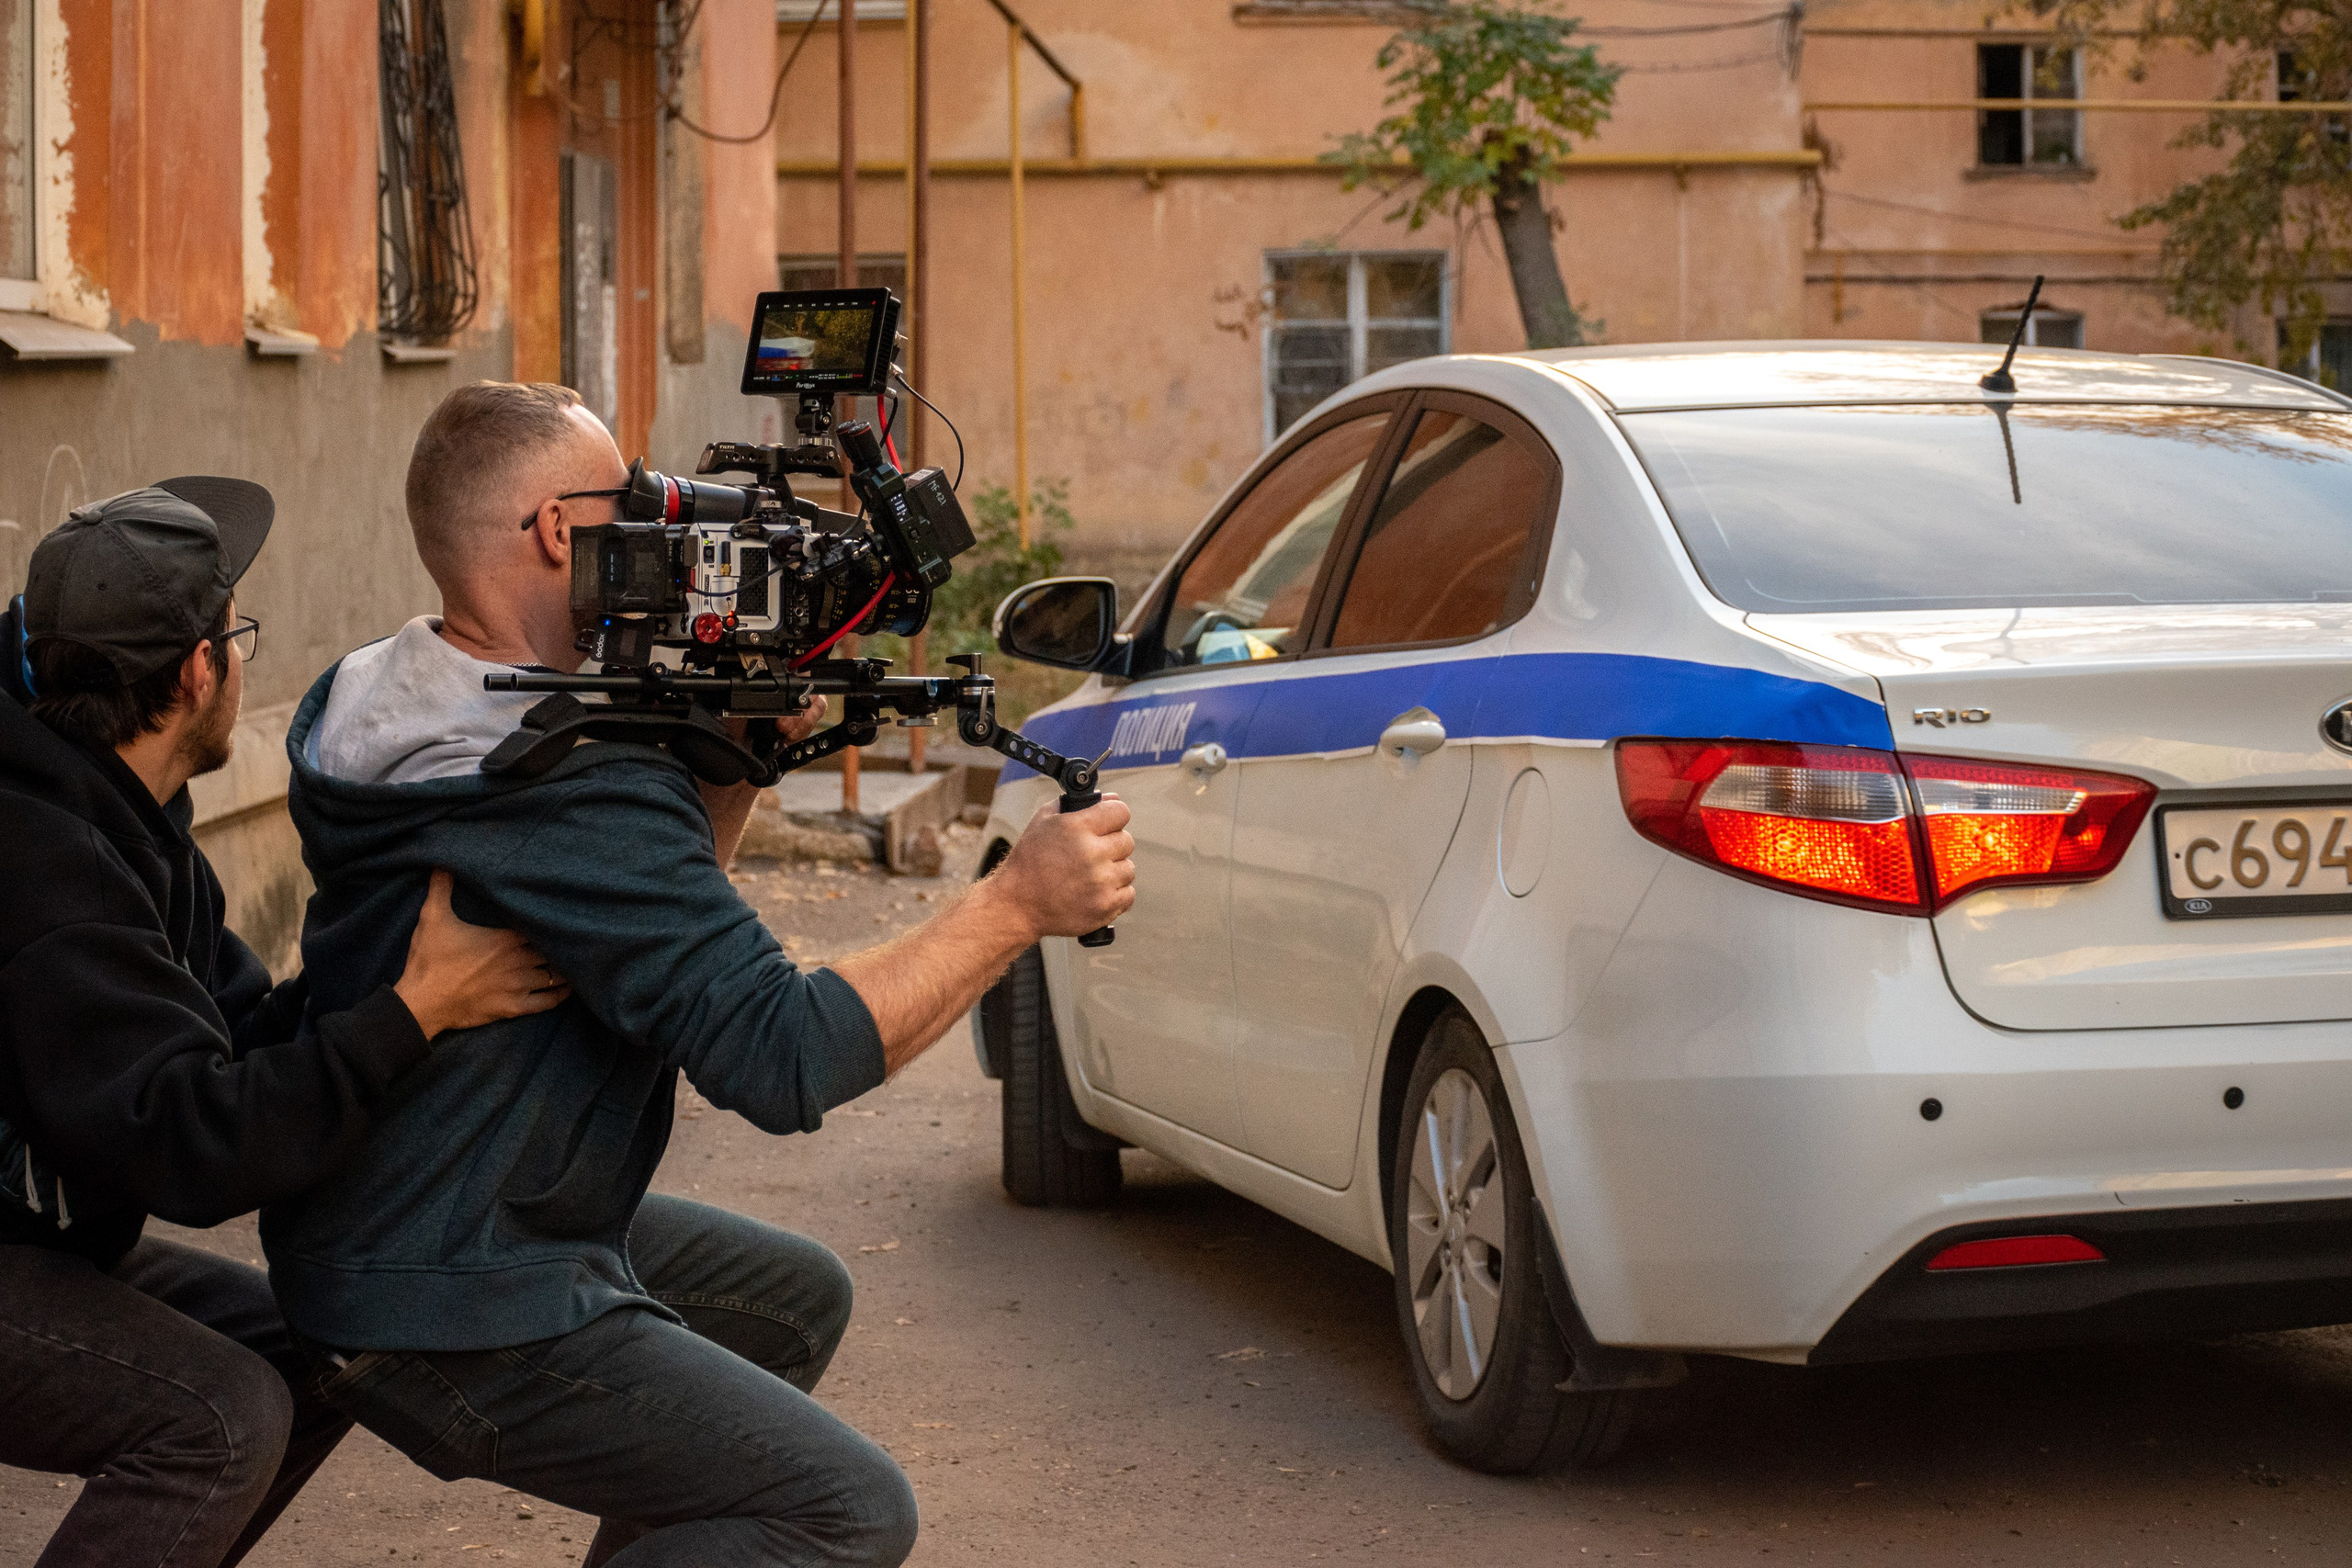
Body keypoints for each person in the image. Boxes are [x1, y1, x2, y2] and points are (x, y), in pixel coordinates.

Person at [263, 382, 1135, 1567]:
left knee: (790, 1298)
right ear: (562, 532)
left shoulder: (374, 695)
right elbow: (783, 1058)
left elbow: (648, 931)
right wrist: (1013, 906)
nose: (666, 526)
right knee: (846, 1510)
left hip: (415, 1205)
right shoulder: (559, 784)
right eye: (637, 502)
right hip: (447, 1292)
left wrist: (724, 770)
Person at [0, 479, 570, 1568]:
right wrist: (415, 1011)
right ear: (200, 672)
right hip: (15, 1246)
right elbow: (190, 1144)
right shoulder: (46, 871)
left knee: (320, 1352)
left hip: (40, 1231)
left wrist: (392, 967)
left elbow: (236, 1028)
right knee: (213, 1421)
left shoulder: (120, 804)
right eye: (235, 635)